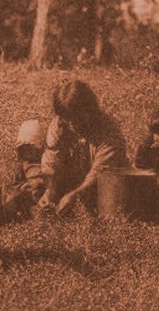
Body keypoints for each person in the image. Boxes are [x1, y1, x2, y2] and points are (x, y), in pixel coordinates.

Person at [39, 78, 130, 216]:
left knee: (109, 211)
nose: (71, 124)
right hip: (74, 181)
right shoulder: (59, 124)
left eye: (77, 118)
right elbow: (52, 162)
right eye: (66, 118)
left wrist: (75, 194)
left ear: (89, 109)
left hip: (102, 184)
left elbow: (100, 171)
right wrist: (50, 191)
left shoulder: (109, 131)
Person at [3, 119, 50, 221]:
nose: (27, 152)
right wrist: (22, 187)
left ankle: (42, 214)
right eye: (23, 149)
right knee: (11, 200)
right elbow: (16, 184)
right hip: (28, 196)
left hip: (44, 193)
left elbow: (53, 178)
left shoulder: (46, 160)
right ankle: (17, 217)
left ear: (39, 147)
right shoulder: (23, 165)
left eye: (30, 148)